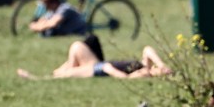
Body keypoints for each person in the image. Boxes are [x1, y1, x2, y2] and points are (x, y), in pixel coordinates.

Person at [17, 34, 171, 79]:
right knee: (77, 47)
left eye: (159, 71)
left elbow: (124, 77)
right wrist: (161, 64)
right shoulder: (145, 66)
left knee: (69, 71)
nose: (158, 69)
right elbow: (148, 49)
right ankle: (55, 72)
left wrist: (109, 69)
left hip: (100, 67)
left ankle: (37, 78)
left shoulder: (143, 74)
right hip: (100, 65)